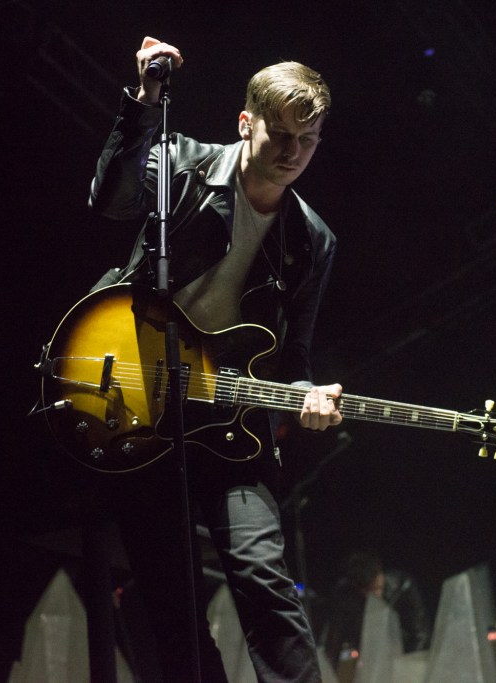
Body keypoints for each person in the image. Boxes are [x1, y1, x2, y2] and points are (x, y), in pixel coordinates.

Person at [83, 36, 343, 682]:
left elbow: (296, 355)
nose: (290, 153)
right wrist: (144, 101)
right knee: (169, 602)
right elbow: (109, 198)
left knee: (264, 581)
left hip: (232, 422)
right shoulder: (184, 164)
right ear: (244, 121)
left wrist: (308, 393)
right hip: (143, 407)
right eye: (279, 134)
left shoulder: (312, 240)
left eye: (305, 142)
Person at [321, 551, 432, 672]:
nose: (377, 594)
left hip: (404, 653)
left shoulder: (403, 585)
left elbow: (420, 634)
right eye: (370, 590)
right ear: (358, 587)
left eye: (378, 587)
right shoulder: (344, 596)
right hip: (370, 659)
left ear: (380, 573)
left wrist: (407, 667)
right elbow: (333, 641)